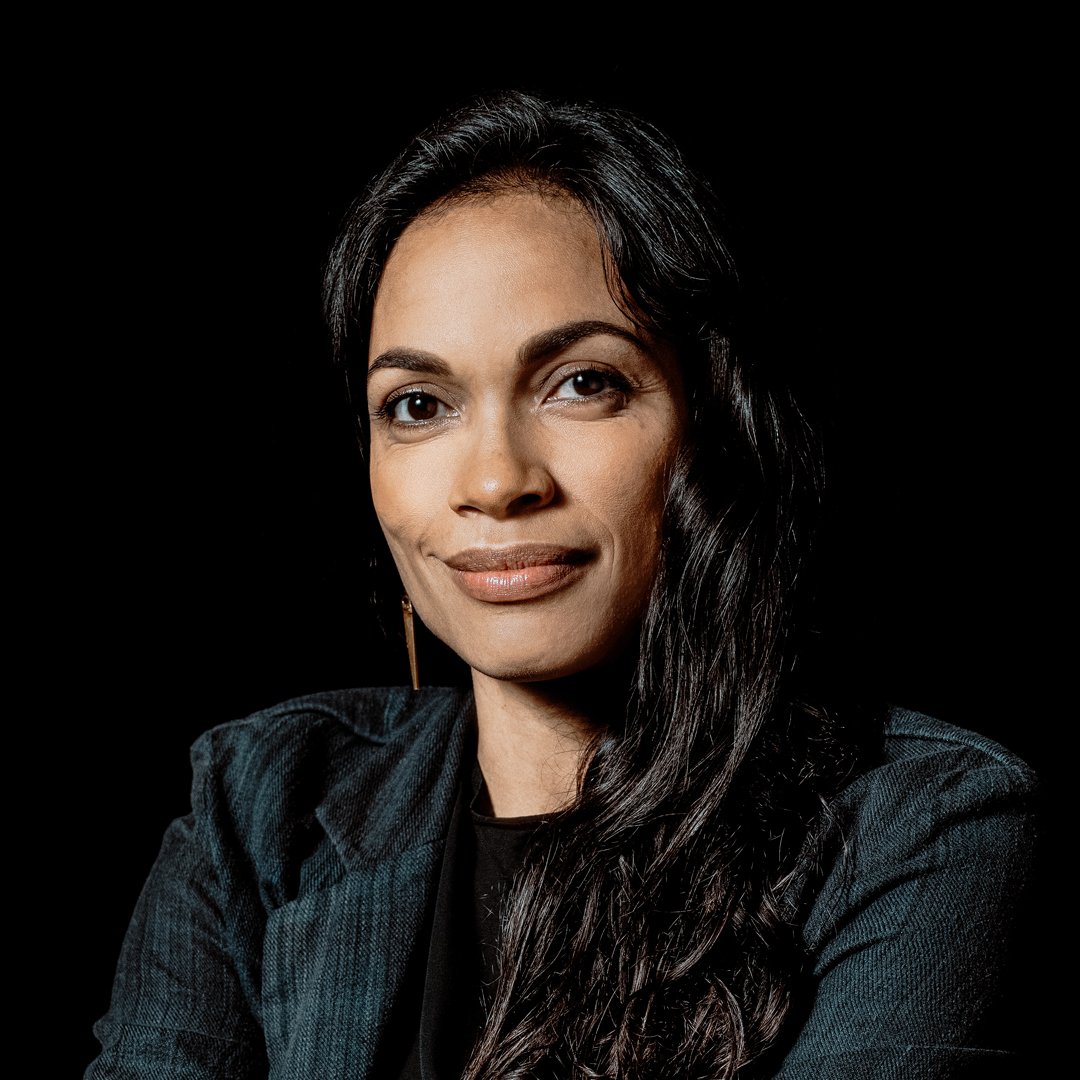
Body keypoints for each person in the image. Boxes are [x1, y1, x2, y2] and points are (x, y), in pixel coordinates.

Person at [86, 91, 1038, 1079]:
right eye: (418, 405)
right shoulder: (259, 806)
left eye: (584, 383)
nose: (497, 481)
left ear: (717, 426)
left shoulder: (921, 827)